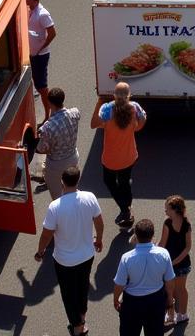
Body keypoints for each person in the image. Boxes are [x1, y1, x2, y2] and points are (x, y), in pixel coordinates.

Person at [35, 165, 103, 336]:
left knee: (68, 294)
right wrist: (99, 240)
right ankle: (82, 319)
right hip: (87, 255)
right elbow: (100, 223)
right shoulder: (90, 198)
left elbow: (46, 235)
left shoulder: (55, 206)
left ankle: (78, 327)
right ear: (78, 180)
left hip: (64, 261)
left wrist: (40, 251)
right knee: (82, 288)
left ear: (62, 182)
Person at [91, 84, 147, 230]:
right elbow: (142, 120)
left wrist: (98, 103)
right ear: (129, 95)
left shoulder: (107, 109)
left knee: (109, 181)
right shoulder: (135, 107)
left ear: (114, 95)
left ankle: (125, 209)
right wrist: (136, 127)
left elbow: (93, 124)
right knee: (124, 182)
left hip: (111, 158)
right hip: (129, 156)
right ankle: (127, 207)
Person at [113, 217, 177, 336]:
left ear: (136, 236)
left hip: (132, 303)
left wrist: (116, 299)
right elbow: (169, 281)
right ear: (153, 235)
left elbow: (119, 284)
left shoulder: (127, 258)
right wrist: (169, 299)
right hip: (156, 301)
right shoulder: (164, 254)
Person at [35, 87, 81, 199]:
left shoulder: (48, 128)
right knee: (71, 188)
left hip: (56, 165)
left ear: (49, 102)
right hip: (73, 157)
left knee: (57, 196)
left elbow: (41, 149)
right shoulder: (75, 113)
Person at [26, 0, 56, 122]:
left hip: (39, 56)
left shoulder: (42, 14)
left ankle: (49, 114)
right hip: (31, 54)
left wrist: (40, 49)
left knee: (42, 87)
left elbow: (52, 33)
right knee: (35, 84)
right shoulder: (28, 9)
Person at [159, 197, 192, 326]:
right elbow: (187, 247)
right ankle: (181, 314)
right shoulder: (186, 224)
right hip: (182, 263)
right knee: (180, 289)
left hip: (170, 263)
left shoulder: (167, 223)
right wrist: (176, 261)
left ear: (174, 210)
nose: (165, 211)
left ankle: (173, 314)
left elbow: (162, 243)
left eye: (167, 208)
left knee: (171, 290)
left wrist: (171, 262)